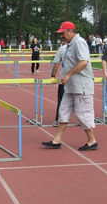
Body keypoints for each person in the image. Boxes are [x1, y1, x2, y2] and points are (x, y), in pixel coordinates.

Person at [41, 21, 98, 151]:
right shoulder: (69, 45)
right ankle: (57, 140)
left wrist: (67, 75)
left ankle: (92, 140)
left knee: (83, 114)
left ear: (71, 31)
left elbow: (84, 62)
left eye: (63, 33)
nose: (61, 35)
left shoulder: (79, 42)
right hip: (70, 88)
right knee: (63, 112)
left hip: (81, 86)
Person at [50, 39, 68, 127]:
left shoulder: (62, 48)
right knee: (79, 100)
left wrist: (53, 76)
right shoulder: (80, 47)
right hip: (76, 80)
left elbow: (56, 63)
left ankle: (58, 120)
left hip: (64, 79)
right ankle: (84, 121)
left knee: (61, 101)